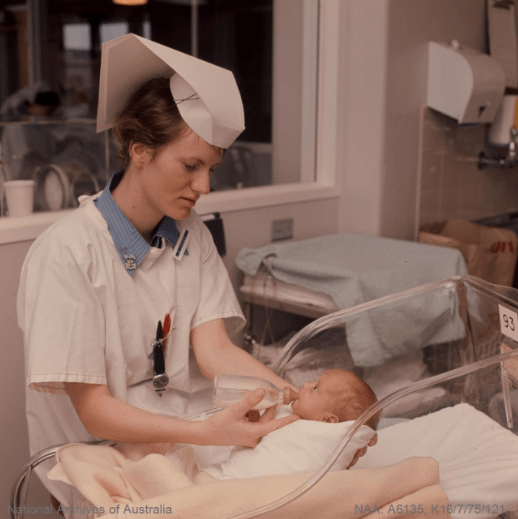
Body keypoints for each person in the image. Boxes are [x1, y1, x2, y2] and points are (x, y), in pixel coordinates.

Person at [17, 34, 370, 506]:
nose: (203, 185)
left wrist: (306, 405)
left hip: (186, 440)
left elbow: (215, 351)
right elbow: (96, 413)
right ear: (140, 150)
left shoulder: (189, 232)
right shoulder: (66, 254)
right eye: (190, 165)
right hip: (102, 455)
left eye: (211, 168)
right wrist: (203, 432)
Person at [189, 369, 379, 480]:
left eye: (315, 388)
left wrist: (359, 434)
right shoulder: (291, 411)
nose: (305, 384)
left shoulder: (321, 438)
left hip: (241, 484)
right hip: (225, 474)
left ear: (328, 421)